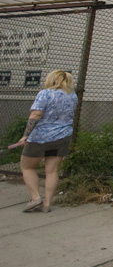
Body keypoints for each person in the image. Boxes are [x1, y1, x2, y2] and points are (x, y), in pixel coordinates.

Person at [7, 70, 78, 212]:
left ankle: (35, 197)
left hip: (40, 137)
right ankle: (46, 203)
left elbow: (36, 114)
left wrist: (26, 135)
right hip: (62, 136)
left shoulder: (45, 94)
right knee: (52, 170)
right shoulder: (72, 96)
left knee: (27, 167)